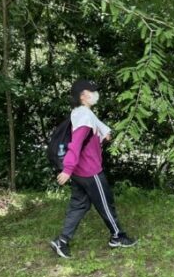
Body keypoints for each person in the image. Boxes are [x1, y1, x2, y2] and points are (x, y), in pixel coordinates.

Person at [50, 79, 137, 258]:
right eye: (92, 91)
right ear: (83, 96)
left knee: (79, 205)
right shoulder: (84, 116)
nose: (95, 94)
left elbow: (100, 132)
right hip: (89, 170)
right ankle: (118, 236)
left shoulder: (80, 112)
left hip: (79, 171)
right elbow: (76, 143)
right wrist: (67, 169)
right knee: (105, 203)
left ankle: (62, 241)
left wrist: (104, 136)